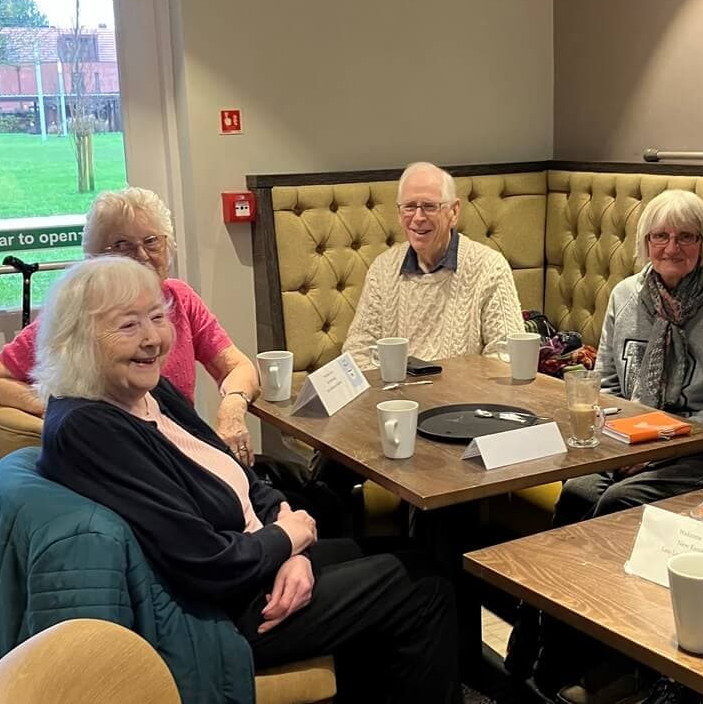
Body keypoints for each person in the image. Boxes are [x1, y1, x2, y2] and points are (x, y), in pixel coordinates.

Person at [36, 257, 460, 704]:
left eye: (157, 317)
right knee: (424, 586)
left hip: (253, 561)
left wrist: (289, 541)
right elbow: (203, 561)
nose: (152, 339)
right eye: (128, 325)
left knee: (409, 553)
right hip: (225, 609)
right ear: (78, 338)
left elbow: (239, 473)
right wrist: (287, 541)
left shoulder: (144, 390)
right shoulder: (88, 427)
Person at [513, 189, 703, 703]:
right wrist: (625, 440)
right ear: (645, 243)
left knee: (617, 504)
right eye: (659, 236)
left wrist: (654, 446)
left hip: (697, 451)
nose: (672, 247)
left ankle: (600, 666)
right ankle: (545, 647)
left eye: (686, 236)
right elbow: (605, 386)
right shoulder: (626, 295)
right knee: (578, 491)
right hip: (625, 442)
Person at [0, 187, 259, 461]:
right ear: (95, 259)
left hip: (185, 449)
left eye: (151, 241)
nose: (142, 255)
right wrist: (57, 408)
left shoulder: (180, 298)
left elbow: (237, 366)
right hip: (126, 457)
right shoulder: (80, 312)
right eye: (122, 246)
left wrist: (232, 410)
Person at [342, 162, 524, 370]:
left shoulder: (490, 267)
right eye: (409, 207)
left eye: (429, 206)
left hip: (464, 389)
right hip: (396, 390)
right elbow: (358, 351)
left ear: (454, 212)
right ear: (399, 214)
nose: (418, 218)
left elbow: (506, 355)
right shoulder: (383, 268)